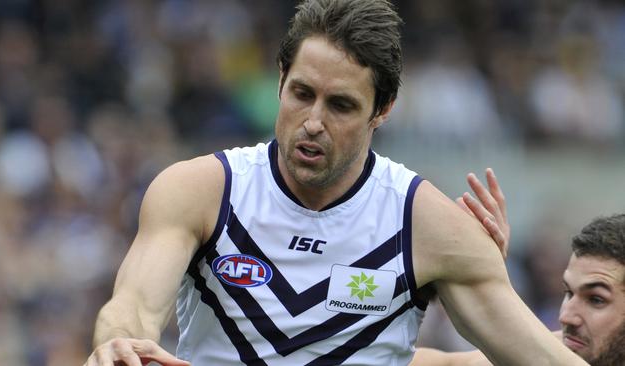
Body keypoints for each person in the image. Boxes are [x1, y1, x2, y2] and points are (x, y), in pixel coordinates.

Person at [84, 1, 588, 365]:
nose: (313, 121)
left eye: (341, 105)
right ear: (280, 79)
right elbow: (131, 307)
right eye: (302, 93)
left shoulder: (430, 226)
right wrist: (118, 343)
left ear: (382, 111)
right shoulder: (202, 191)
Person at [411, 170, 625, 366]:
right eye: (568, 292)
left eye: (596, 299)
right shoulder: (555, 350)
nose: (566, 316)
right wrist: (476, 263)